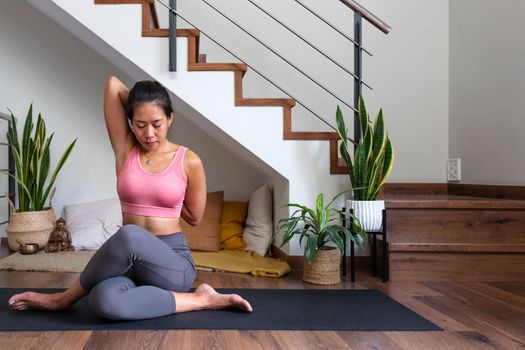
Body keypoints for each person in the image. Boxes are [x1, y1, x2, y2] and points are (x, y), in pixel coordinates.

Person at [8, 75, 253, 320]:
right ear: (131, 122)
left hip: (171, 263)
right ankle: (199, 299)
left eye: (157, 123)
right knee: (102, 300)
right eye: (139, 124)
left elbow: (195, 217)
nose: (148, 134)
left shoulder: (189, 160)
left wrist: (166, 196)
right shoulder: (125, 149)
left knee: (130, 235)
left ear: (170, 118)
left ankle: (61, 299)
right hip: (131, 264)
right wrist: (140, 101)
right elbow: (113, 85)